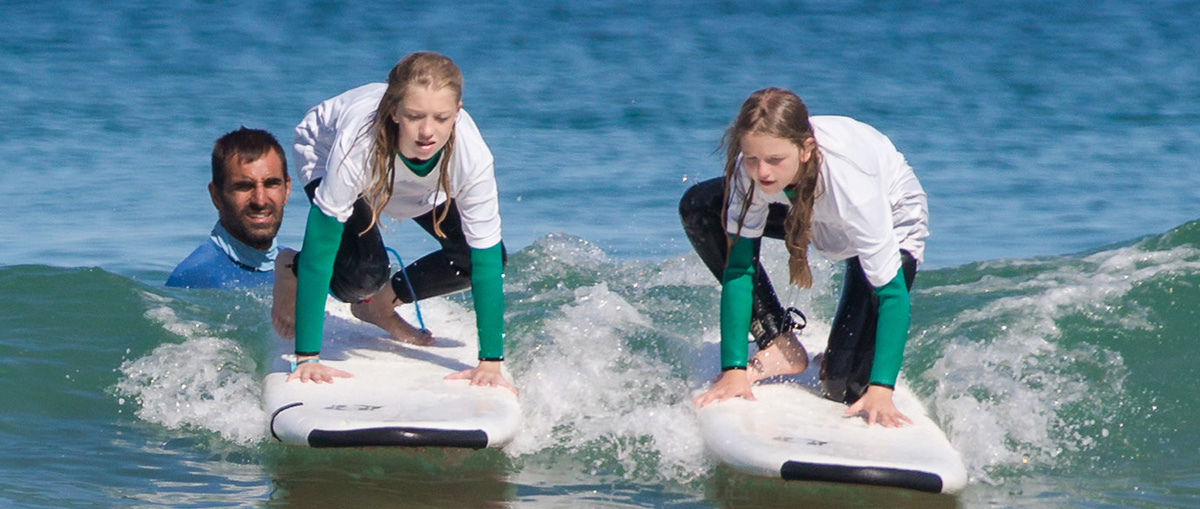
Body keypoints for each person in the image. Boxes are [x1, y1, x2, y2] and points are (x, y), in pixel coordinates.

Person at [681, 87, 928, 427]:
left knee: (844, 388)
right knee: (702, 206)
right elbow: (739, 269)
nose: (762, 172)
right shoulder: (751, 172)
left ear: (806, 149)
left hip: (889, 221)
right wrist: (734, 369)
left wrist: (882, 389)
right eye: (752, 158)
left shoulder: (852, 188)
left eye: (774, 160)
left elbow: (892, 295)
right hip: (808, 208)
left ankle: (843, 357)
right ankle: (780, 343)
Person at [272, 52, 513, 392]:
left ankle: (382, 305)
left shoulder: (471, 156)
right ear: (395, 111)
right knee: (362, 277)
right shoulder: (358, 144)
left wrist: (490, 363)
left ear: (458, 113)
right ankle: (290, 268)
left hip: (411, 179)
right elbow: (323, 244)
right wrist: (308, 357)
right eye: (414, 116)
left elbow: (486, 261)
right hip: (326, 155)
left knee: (477, 259)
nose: (427, 131)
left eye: (441, 118)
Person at [167, 128, 291, 288]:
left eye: (271, 184)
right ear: (216, 196)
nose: (260, 201)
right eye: (244, 186)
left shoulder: (302, 271)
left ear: (287, 190)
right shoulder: (193, 278)